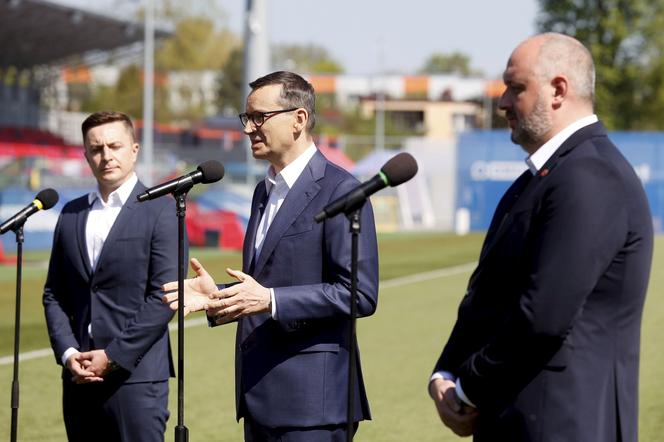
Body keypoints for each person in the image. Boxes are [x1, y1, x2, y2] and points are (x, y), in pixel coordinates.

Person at [429, 32, 653, 441]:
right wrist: (445, 371)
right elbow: (485, 297)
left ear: (558, 90)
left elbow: (543, 317)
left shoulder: (590, 177)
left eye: (515, 88)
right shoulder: (537, 181)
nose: (502, 103)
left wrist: (466, 389)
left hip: (563, 424)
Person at [163, 71, 379, 441]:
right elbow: (268, 285)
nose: (249, 129)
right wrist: (219, 297)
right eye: (247, 118)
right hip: (260, 396)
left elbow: (359, 293)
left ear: (299, 119)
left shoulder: (341, 190)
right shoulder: (264, 191)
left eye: (259, 117)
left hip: (313, 406)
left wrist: (270, 299)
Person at [43, 111, 181, 442]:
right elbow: (54, 294)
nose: (106, 156)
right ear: (86, 155)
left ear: (134, 149)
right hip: (79, 378)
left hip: (136, 379)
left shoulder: (162, 209)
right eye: (96, 148)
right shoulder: (71, 213)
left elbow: (165, 298)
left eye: (114, 145)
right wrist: (68, 353)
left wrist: (113, 356)